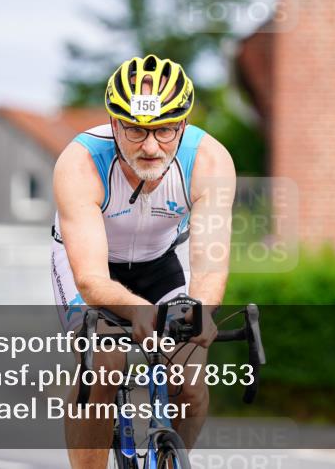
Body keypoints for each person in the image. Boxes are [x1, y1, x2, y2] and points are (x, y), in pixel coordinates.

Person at [51, 54, 235, 468]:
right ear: (114, 124)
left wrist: (201, 311)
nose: (151, 146)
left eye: (165, 129)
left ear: (183, 125)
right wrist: (136, 310)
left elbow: (210, 261)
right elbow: (91, 278)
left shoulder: (209, 161)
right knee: (104, 367)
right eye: (135, 129)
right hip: (94, 267)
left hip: (161, 261)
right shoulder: (80, 163)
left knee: (189, 380)